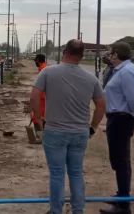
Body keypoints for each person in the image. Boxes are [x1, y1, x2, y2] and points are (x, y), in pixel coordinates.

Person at [30, 39, 106, 214]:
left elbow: (34, 96)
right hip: (80, 133)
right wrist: (93, 127)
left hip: (55, 131)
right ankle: (78, 210)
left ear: (64, 52)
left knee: (57, 174)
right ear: (81, 56)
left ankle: (56, 210)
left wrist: (40, 119)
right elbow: (101, 106)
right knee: (76, 173)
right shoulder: (90, 78)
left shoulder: (48, 72)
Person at [100, 41, 134, 214]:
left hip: (122, 120)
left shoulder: (127, 71)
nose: (108, 55)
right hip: (116, 118)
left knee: (121, 162)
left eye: (110, 52)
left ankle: (123, 205)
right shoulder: (120, 71)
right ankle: (121, 195)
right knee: (118, 160)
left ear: (116, 54)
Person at [31, 54, 48, 140]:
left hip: (42, 98)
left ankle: (40, 136)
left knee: (36, 116)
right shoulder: (46, 67)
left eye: (36, 61)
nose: (35, 63)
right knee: (43, 116)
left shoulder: (43, 69)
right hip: (45, 97)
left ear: (38, 60)